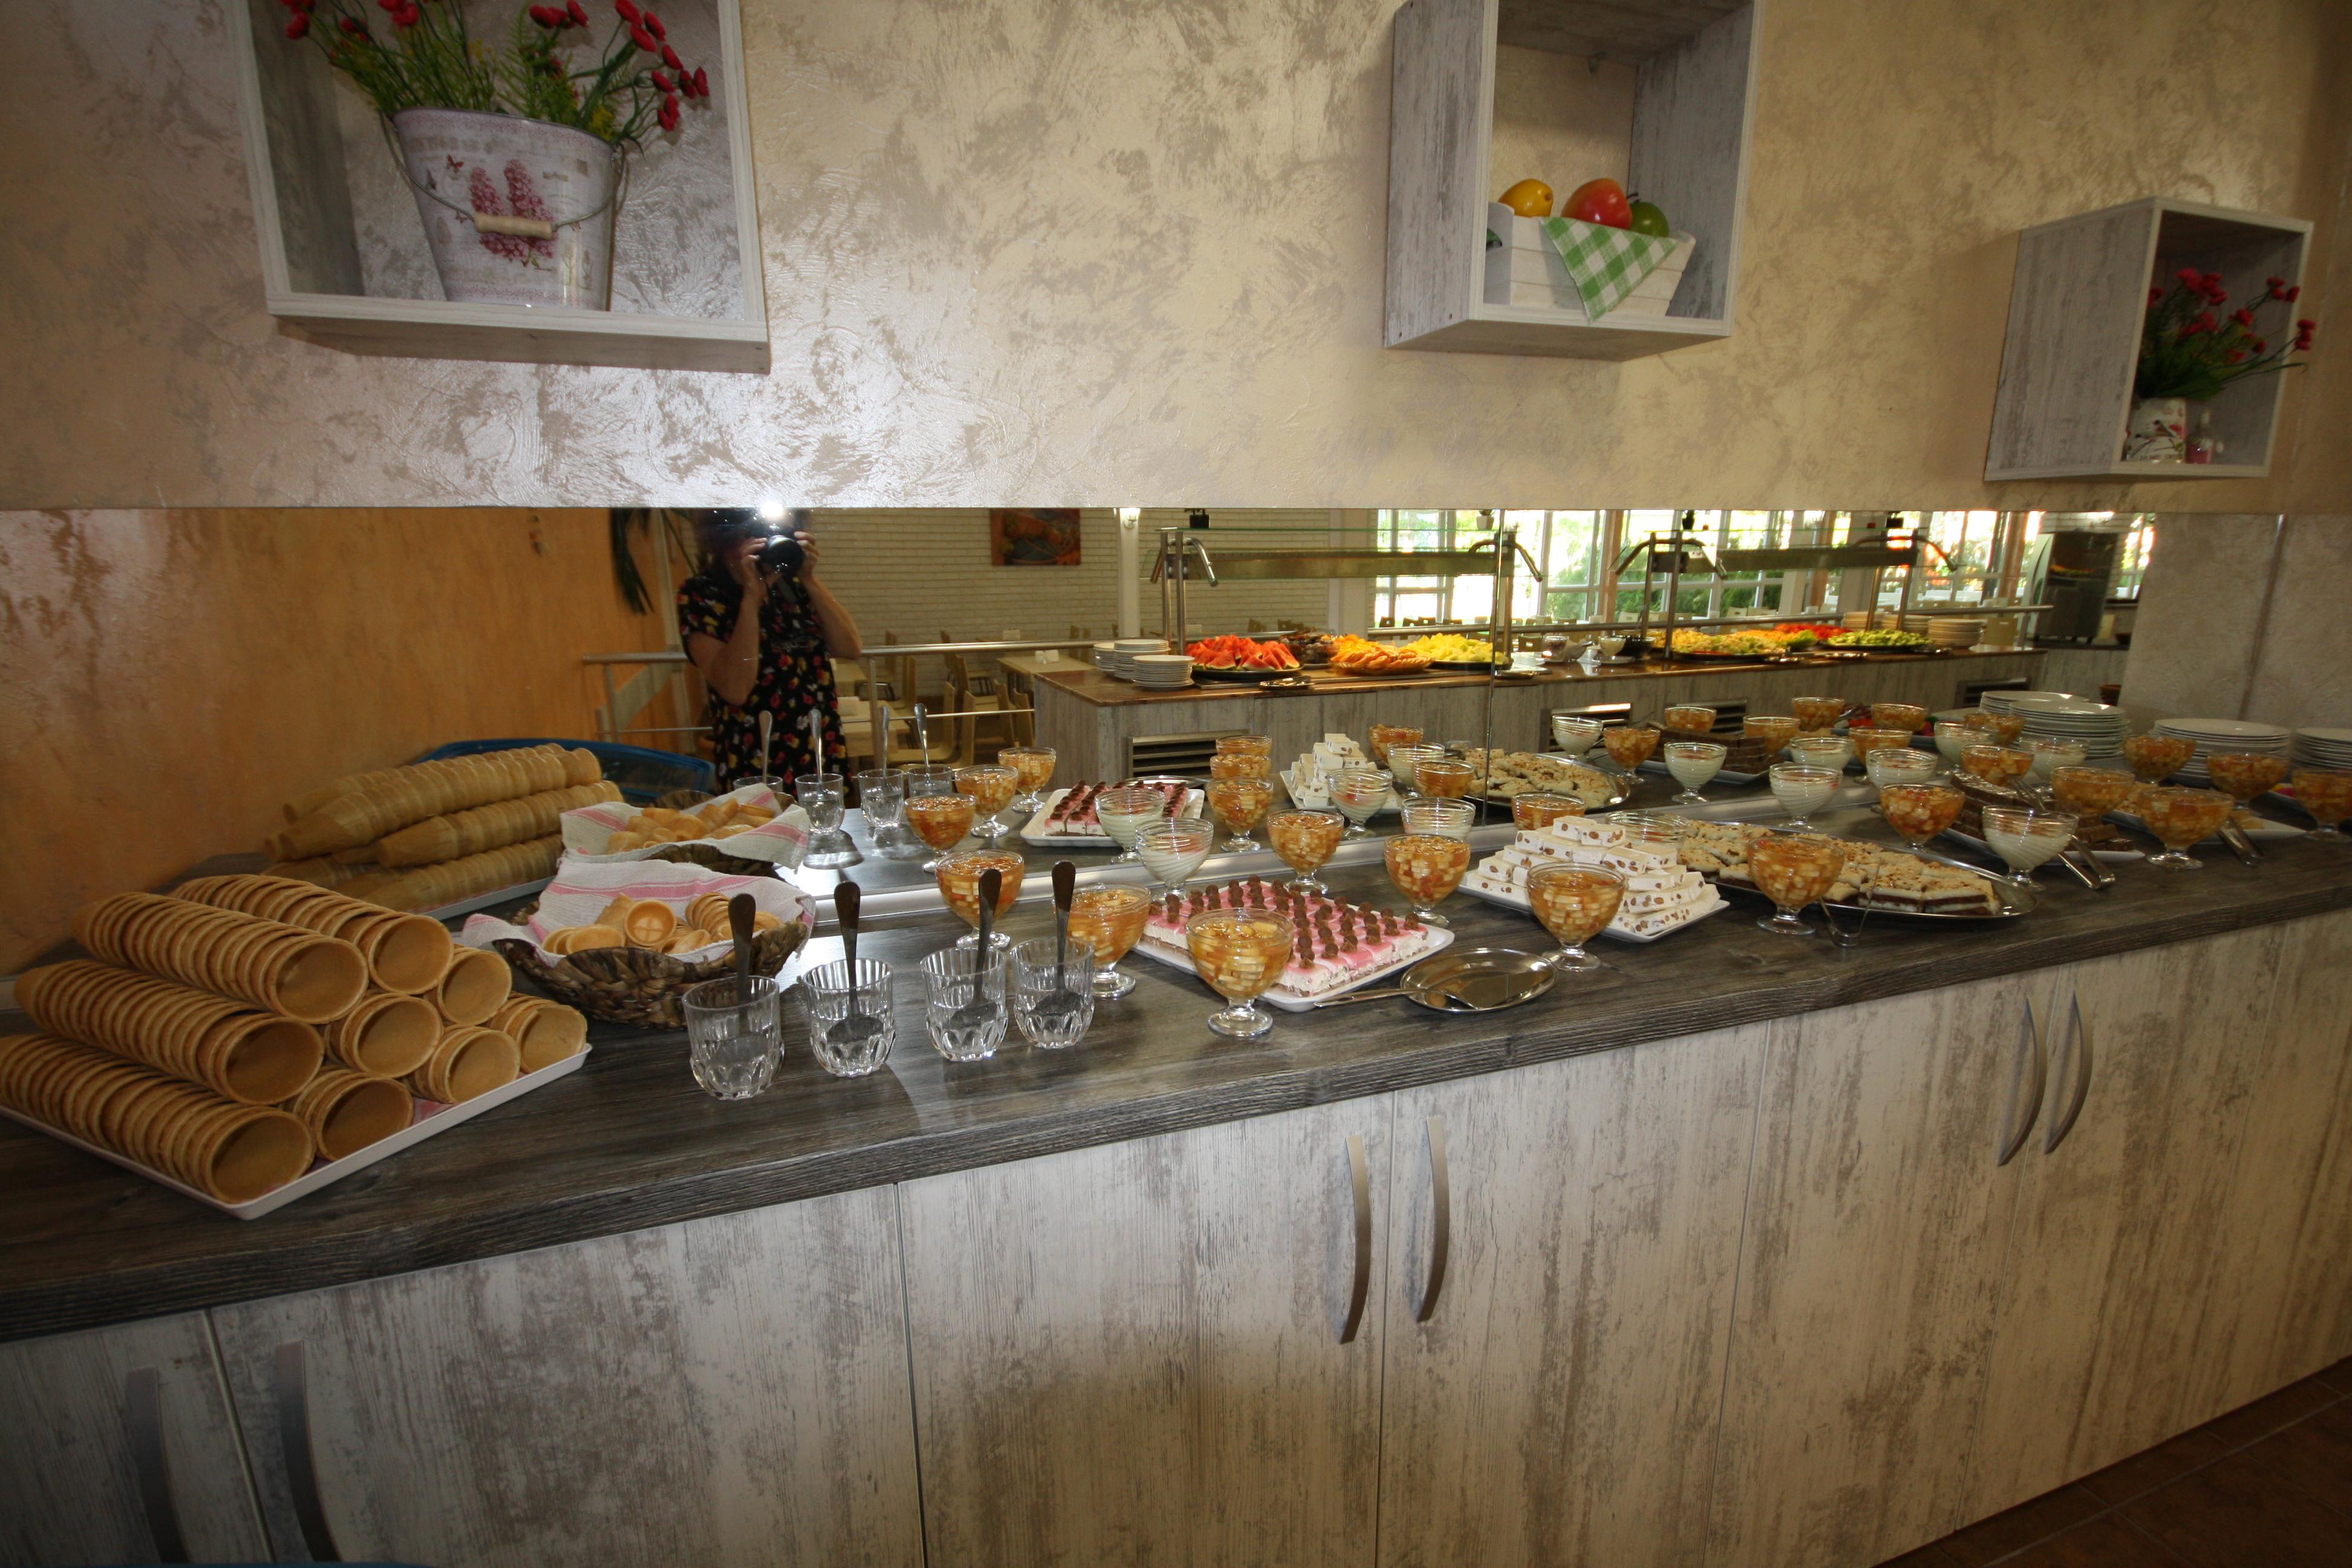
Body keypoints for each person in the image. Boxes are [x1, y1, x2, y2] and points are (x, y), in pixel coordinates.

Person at [678, 509, 863, 789]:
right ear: (726, 536)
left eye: (782, 531)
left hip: (817, 749)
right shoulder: (701, 594)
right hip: (755, 759)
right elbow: (735, 689)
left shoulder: (794, 586)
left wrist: (809, 580)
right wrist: (751, 600)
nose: (770, 540)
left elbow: (850, 647)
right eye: (759, 532)